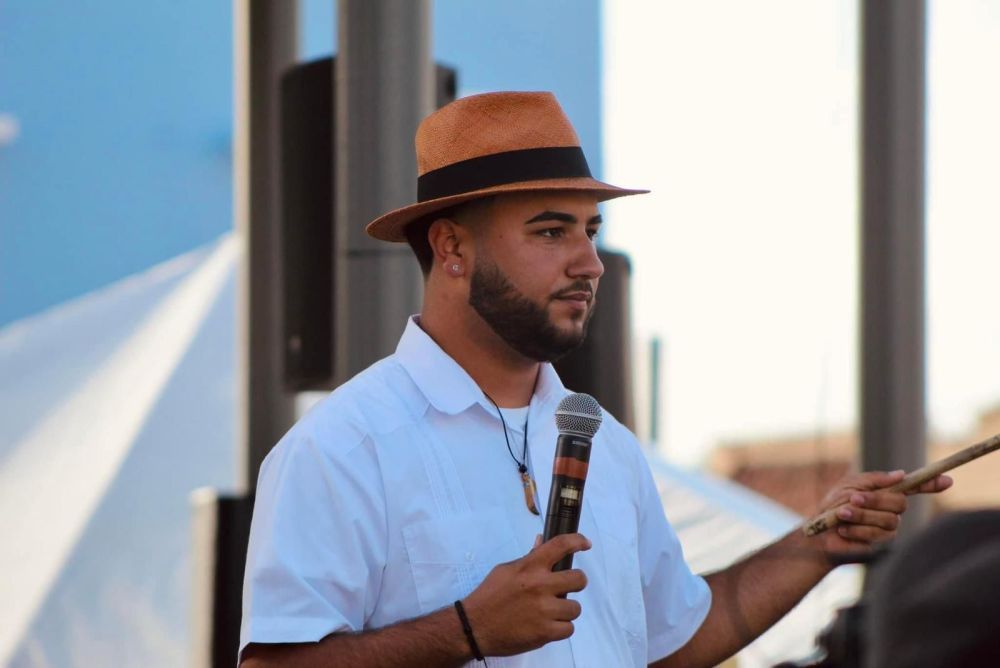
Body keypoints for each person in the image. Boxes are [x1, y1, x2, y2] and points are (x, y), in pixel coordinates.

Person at [238, 91, 951, 667]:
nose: (590, 261)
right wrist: (466, 630)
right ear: (452, 248)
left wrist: (817, 543)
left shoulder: (601, 440)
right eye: (552, 232)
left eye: (592, 230)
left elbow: (673, 640)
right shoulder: (343, 447)